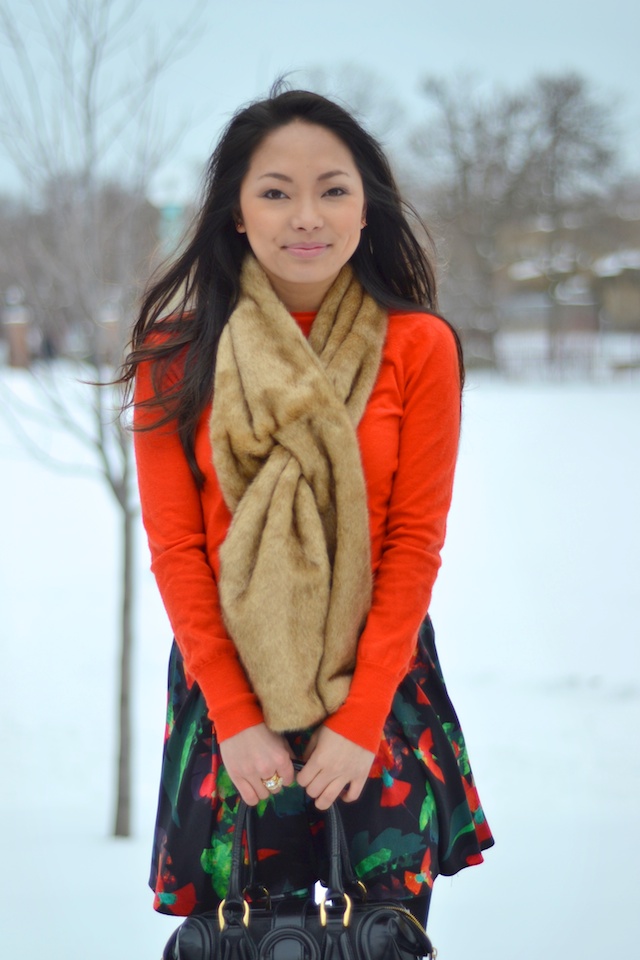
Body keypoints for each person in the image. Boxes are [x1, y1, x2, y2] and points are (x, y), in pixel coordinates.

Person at [120, 86, 493, 930]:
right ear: (236, 214)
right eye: (275, 191)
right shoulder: (176, 357)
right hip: (228, 699)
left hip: (380, 693)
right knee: (246, 945)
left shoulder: (419, 345)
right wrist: (239, 721)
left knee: (376, 942)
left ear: (368, 209)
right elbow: (179, 550)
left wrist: (359, 723)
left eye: (333, 188)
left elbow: (413, 544)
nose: (306, 216)